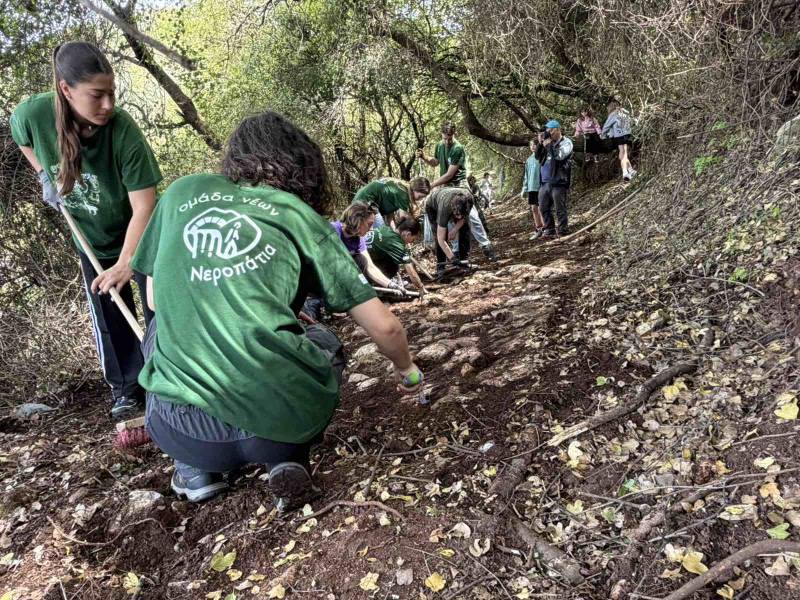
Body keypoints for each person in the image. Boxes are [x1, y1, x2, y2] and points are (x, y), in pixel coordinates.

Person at [130, 111, 423, 508]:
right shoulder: (297, 214)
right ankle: (286, 458)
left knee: (158, 330)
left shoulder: (181, 193)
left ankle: (193, 470)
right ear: (301, 166)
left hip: (185, 430)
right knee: (323, 339)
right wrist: (408, 371)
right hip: (278, 425)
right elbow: (385, 329)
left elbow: (153, 301)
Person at [10, 41, 161, 421]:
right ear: (65, 89)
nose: (108, 104)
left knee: (159, 306)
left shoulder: (123, 132)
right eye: (97, 95)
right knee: (109, 311)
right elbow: (20, 136)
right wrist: (43, 174)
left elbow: (145, 205)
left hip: (140, 234)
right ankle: (127, 390)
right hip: (90, 237)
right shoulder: (34, 114)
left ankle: (169, 380)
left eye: (112, 93)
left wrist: (129, 262)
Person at [416, 123, 497, 262]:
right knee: (449, 218)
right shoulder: (439, 145)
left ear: (454, 134)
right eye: (445, 138)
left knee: (472, 216)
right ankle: (456, 251)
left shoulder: (458, 148)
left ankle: (486, 246)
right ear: (441, 135)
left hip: (459, 185)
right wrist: (424, 157)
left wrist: (432, 185)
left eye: (450, 138)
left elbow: (449, 174)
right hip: (446, 187)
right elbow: (436, 162)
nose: (447, 141)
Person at [331, 202, 406, 293]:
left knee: (361, 260)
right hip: (324, 276)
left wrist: (391, 285)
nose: (371, 229)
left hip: (341, 277)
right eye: (369, 224)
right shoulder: (332, 231)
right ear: (358, 221)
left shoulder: (359, 239)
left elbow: (370, 267)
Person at [365, 216, 426, 295]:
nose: (411, 242)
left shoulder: (386, 229)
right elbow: (410, 270)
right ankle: (377, 287)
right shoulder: (397, 244)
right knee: (393, 267)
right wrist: (420, 286)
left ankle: (378, 283)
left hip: (361, 258)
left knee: (392, 262)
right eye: (413, 239)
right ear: (408, 234)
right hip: (359, 264)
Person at [536, 119, 573, 238]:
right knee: (543, 207)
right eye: (547, 130)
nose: (549, 132)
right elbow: (537, 156)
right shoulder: (547, 142)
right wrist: (540, 144)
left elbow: (560, 156)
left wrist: (550, 146)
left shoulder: (566, 142)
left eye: (551, 130)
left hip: (558, 181)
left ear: (558, 129)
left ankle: (563, 230)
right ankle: (549, 229)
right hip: (545, 181)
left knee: (559, 208)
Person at [425, 187, 473, 277]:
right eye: (457, 215)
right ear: (453, 209)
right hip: (433, 207)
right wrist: (452, 258)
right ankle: (441, 266)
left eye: (461, 214)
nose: (459, 218)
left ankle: (464, 261)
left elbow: (463, 219)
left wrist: (455, 229)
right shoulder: (445, 209)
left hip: (452, 202)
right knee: (441, 234)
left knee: (465, 228)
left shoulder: (469, 200)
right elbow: (440, 238)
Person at [352, 177, 430, 229]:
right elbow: (404, 218)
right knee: (381, 233)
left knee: (383, 231)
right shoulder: (404, 194)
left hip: (362, 198)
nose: (420, 200)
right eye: (420, 197)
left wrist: (393, 231)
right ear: (415, 189)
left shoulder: (401, 188)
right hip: (366, 202)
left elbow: (390, 215)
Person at [601, 101, 637, 181]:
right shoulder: (625, 113)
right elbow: (631, 122)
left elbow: (606, 126)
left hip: (619, 135)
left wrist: (603, 135)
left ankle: (625, 173)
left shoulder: (613, 114)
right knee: (625, 153)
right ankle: (631, 170)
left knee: (623, 154)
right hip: (627, 134)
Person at [521, 138, 545, 240]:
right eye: (531, 145)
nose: (533, 146)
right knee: (534, 209)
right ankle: (538, 229)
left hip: (540, 186)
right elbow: (526, 175)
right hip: (531, 188)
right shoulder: (528, 160)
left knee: (541, 208)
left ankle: (546, 228)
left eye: (535, 144)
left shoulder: (541, 157)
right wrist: (524, 188)